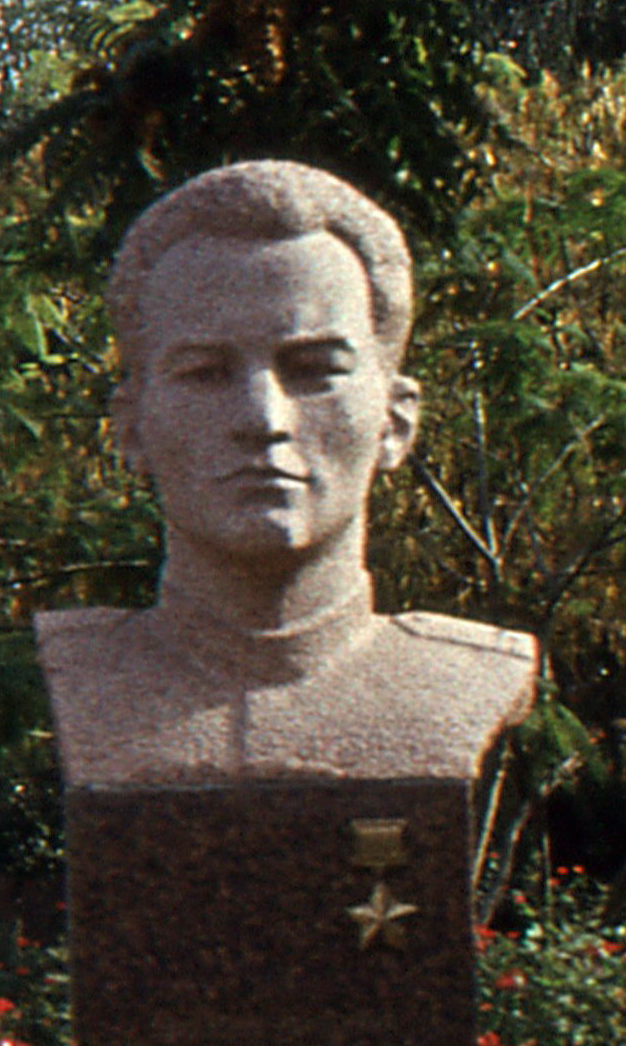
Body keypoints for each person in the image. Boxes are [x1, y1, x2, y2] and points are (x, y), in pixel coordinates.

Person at [39, 158, 534, 786]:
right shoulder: (84, 673)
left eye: (312, 371)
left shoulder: (465, 678)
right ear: (131, 426)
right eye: (204, 373)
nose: (263, 419)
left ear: (396, 419)